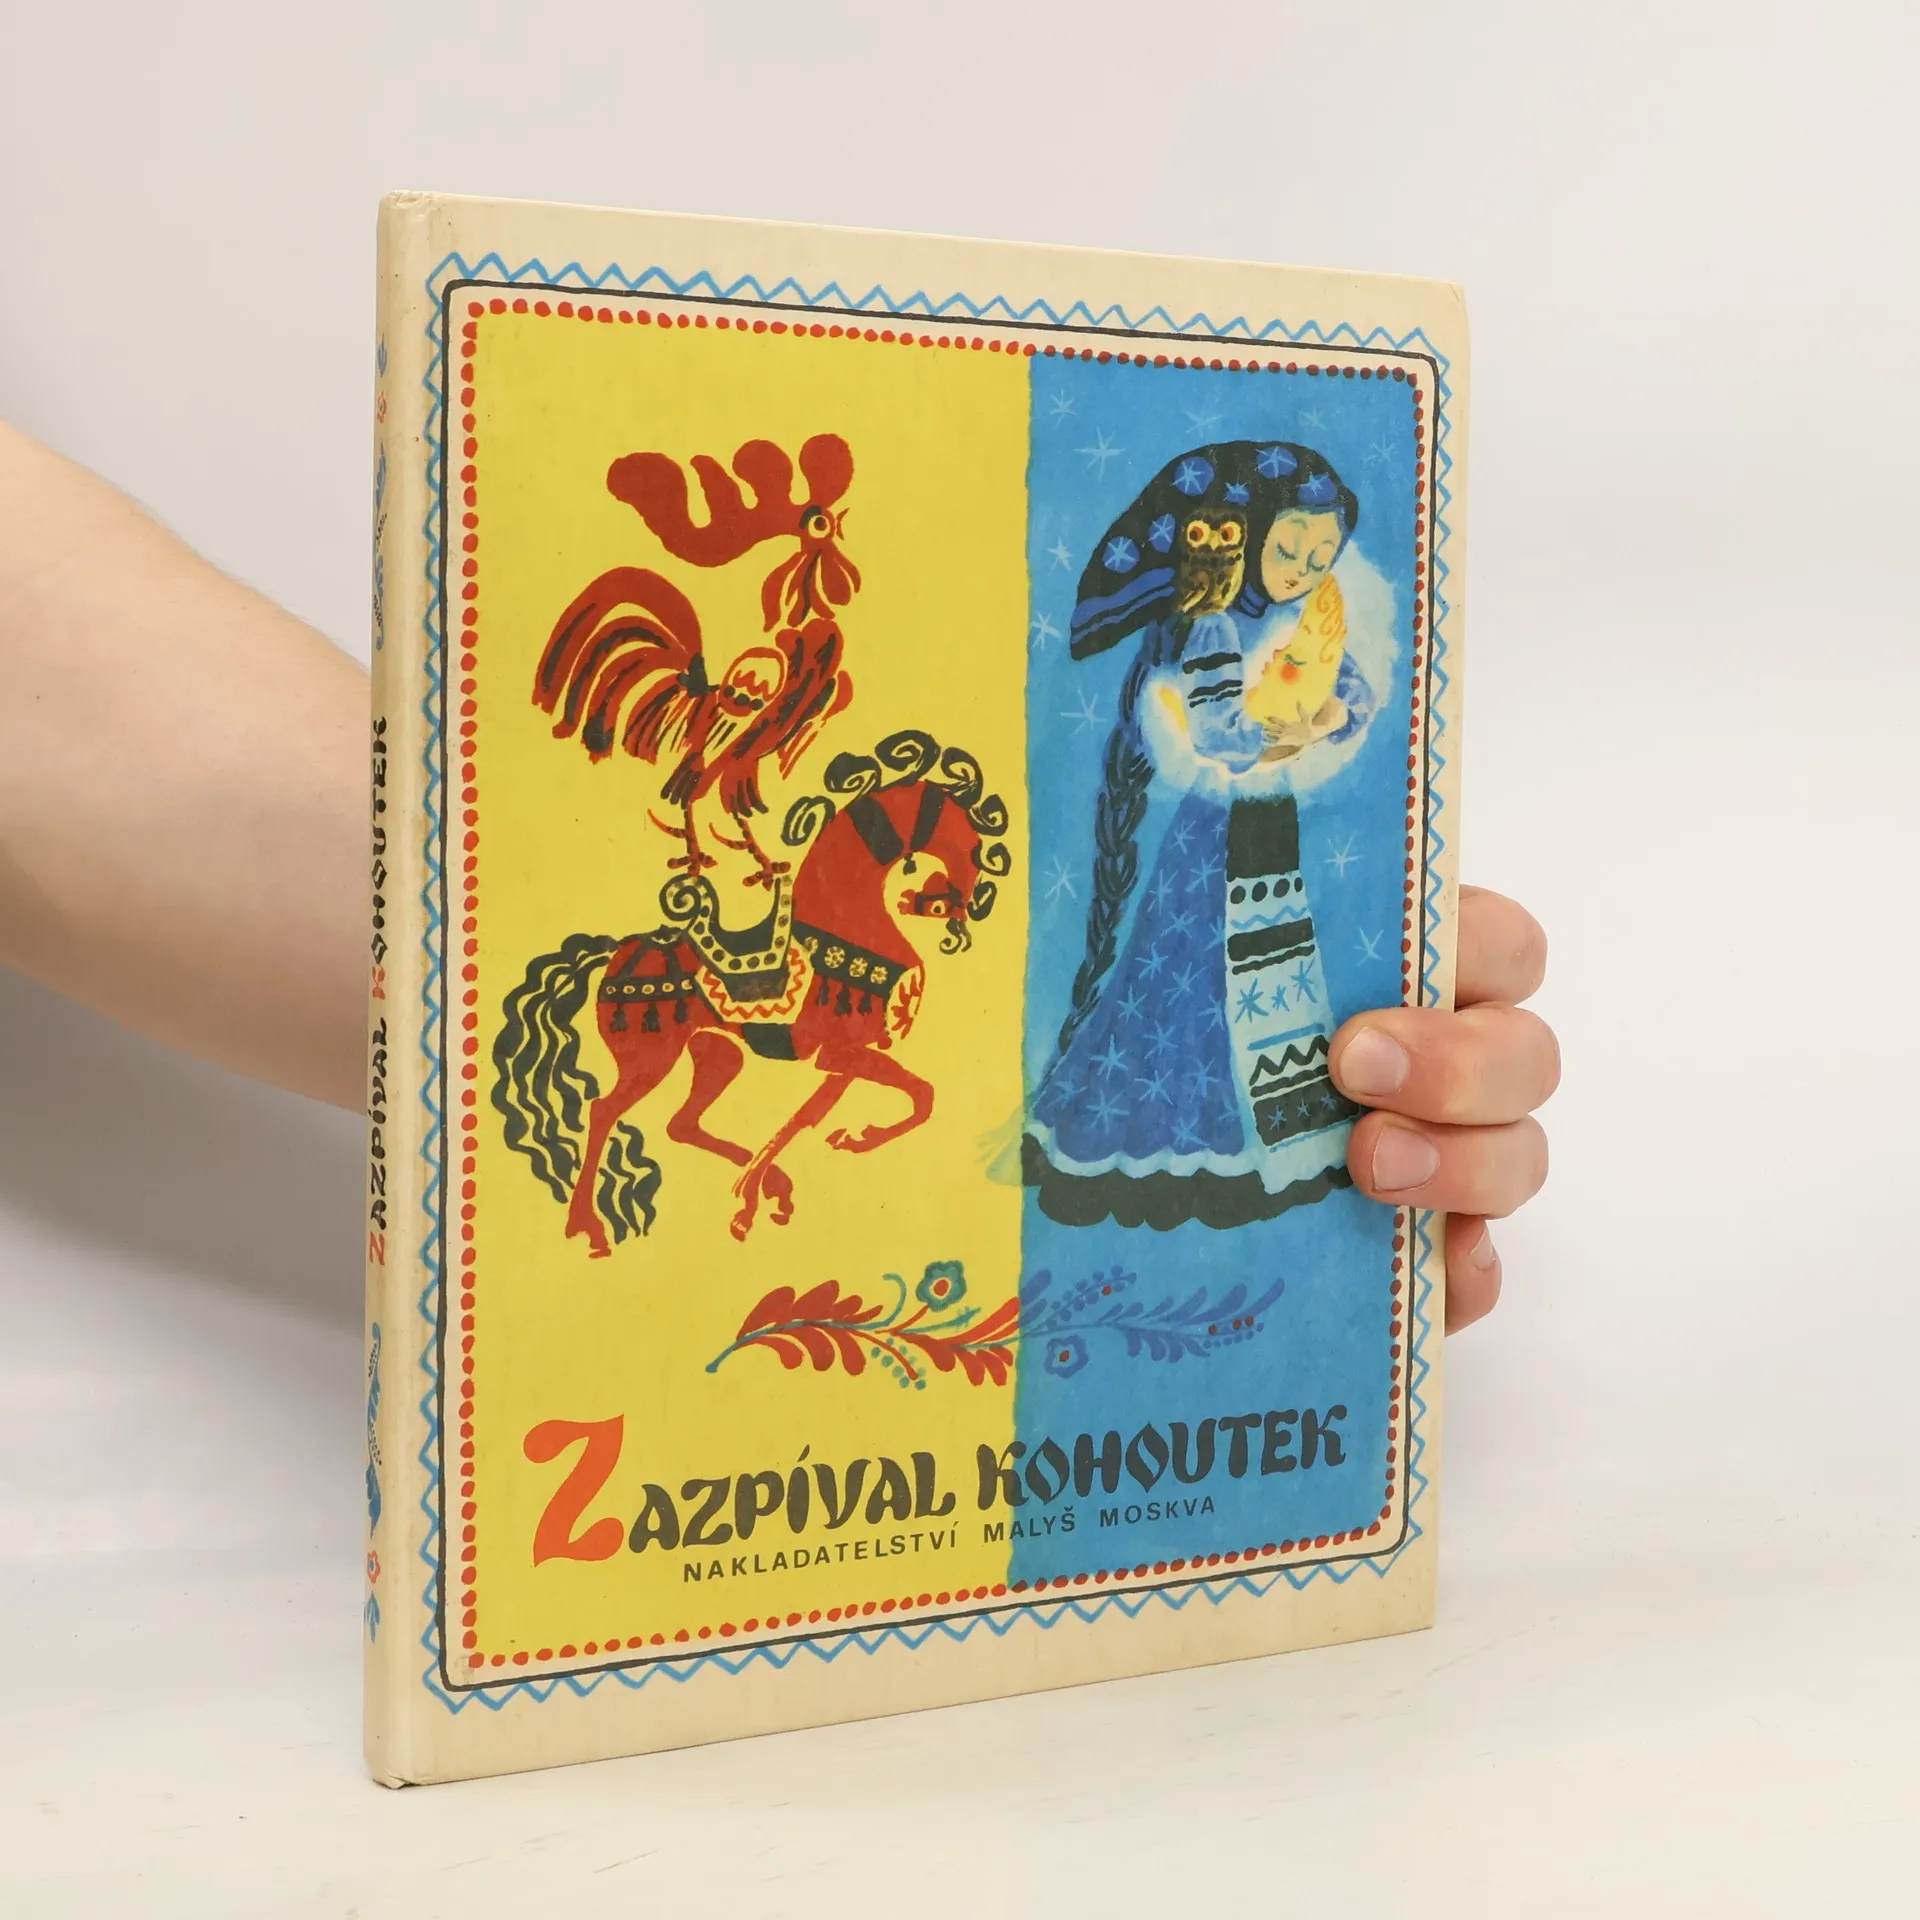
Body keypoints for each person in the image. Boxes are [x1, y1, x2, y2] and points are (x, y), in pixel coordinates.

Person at [0, 419, 1557, 1330]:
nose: (1304, 578)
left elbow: (63, 690)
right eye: (1290, 556)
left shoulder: (1273, 629)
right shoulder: (1194, 643)